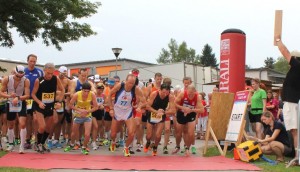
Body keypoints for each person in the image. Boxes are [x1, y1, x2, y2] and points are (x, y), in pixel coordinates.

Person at [107, 74, 146, 157]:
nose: (130, 85)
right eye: (129, 83)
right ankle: (113, 142)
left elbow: (144, 100)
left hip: (128, 111)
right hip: (117, 111)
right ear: (126, 81)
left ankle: (126, 147)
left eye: (133, 83)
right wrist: (111, 108)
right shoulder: (119, 86)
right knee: (113, 133)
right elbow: (109, 95)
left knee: (132, 132)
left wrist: (139, 107)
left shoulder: (136, 89)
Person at [31, 63, 64, 154]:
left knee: (48, 128)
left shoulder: (55, 79)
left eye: (52, 73)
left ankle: (42, 143)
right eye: (48, 73)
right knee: (42, 127)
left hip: (50, 106)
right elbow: (33, 94)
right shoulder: (39, 80)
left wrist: (59, 102)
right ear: (44, 71)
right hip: (40, 106)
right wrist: (39, 102)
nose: (50, 75)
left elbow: (62, 90)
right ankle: (38, 144)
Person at [276, 35, 300, 159]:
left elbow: (284, 51)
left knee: (295, 131)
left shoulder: (296, 66)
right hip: (293, 102)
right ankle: (297, 156)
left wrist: (278, 41)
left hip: (291, 103)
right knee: (294, 131)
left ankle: (297, 157)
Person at [0, 65, 30, 153]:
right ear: (15, 73)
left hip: (21, 102)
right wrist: (9, 96)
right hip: (10, 102)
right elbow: (1, 92)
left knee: (22, 123)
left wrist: (18, 98)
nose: (20, 77)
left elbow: (27, 95)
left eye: (22, 75)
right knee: (10, 125)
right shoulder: (7, 79)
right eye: (18, 75)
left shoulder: (26, 80)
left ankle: (21, 146)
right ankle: (11, 144)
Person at [64, 82, 98, 155]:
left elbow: (96, 107)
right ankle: (72, 144)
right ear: (82, 90)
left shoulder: (92, 95)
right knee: (73, 133)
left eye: (88, 91)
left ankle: (84, 147)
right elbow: (70, 105)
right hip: (78, 115)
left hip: (87, 115)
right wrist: (80, 110)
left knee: (87, 134)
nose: (86, 93)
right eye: (84, 91)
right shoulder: (77, 94)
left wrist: (87, 111)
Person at [144, 83, 176, 156]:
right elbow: (147, 107)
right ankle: (148, 142)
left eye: (167, 93)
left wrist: (164, 112)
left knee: (158, 135)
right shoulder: (154, 94)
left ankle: (155, 147)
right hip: (152, 113)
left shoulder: (170, 97)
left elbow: (173, 110)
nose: (165, 94)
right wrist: (156, 112)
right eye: (163, 92)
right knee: (149, 135)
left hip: (161, 114)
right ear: (160, 90)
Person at [173, 85, 204, 156]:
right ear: (187, 91)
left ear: (195, 92)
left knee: (190, 133)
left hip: (191, 113)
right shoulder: (182, 93)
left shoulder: (198, 96)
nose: (190, 95)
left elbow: (202, 110)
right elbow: (175, 103)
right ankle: (177, 146)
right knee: (178, 133)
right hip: (181, 113)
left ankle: (187, 148)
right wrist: (183, 108)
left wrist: (191, 110)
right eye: (189, 93)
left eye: (191, 94)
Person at [24, 54, 44, 150]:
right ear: (27, 61)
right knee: (28, 119)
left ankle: (37, 140)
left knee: (36, 120)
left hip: (36, 98)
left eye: (34, 61)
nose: (32, 63)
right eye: (31, 61)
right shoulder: (23, 71)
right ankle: (27, 140)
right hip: (27, 98)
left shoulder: (40, 72)